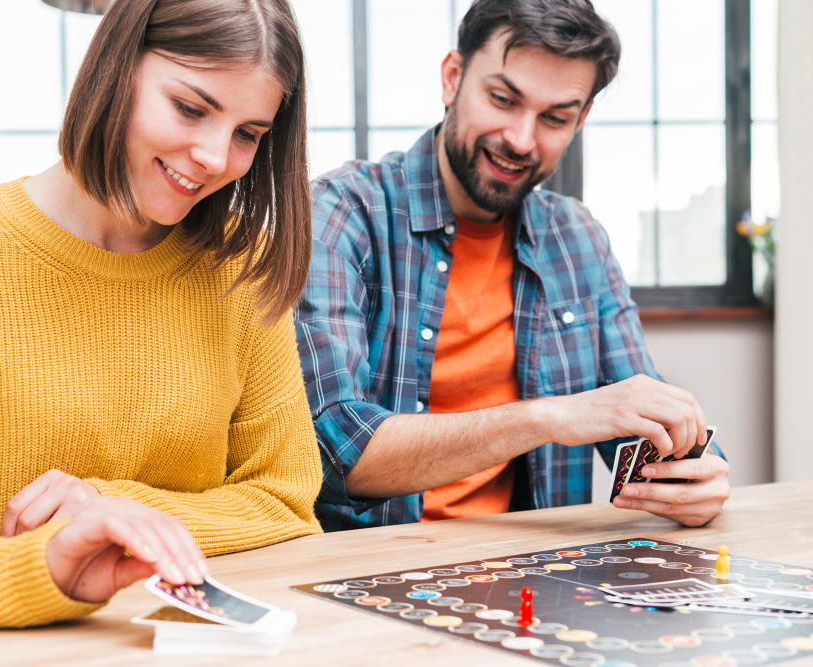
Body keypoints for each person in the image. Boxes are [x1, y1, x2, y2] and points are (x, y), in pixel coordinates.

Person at [0, 0, 321, 629]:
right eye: (191, 108)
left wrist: (110, 509)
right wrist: (41, 566)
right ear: (114, 68)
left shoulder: (244, 268)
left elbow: (287, 501)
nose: (216, 157)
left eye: (248, 133)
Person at [296, 0, 730, 532]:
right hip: (368, 572)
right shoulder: (343, 212)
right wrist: (548, 416)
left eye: (555, 118)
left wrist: (696, 478)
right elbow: (340, 450)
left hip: (533, 578)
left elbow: (641, 425)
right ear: (453, 78)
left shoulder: (578, 239)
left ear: (581, 119)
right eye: (503, 99)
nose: (522, 141)